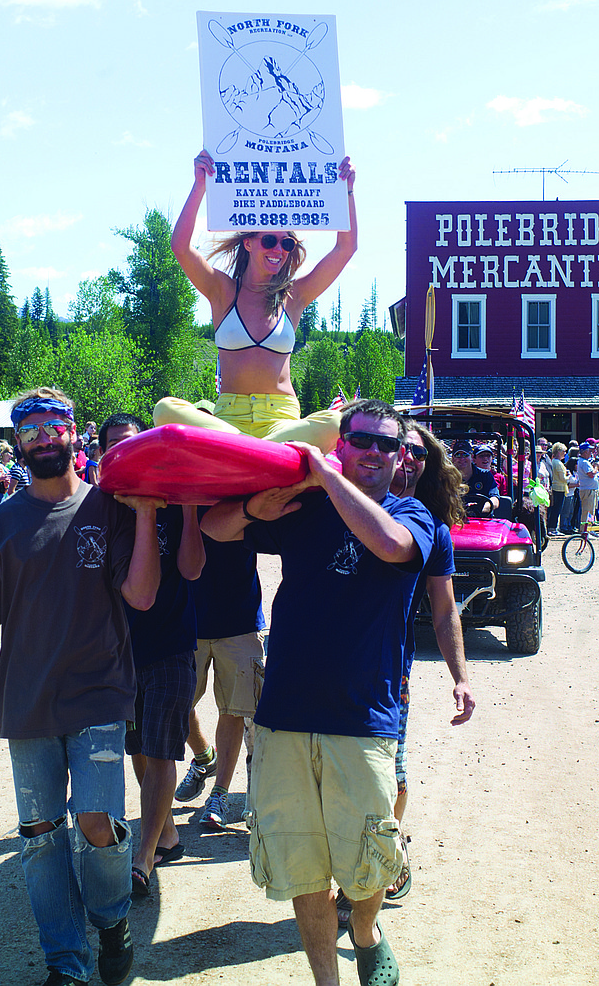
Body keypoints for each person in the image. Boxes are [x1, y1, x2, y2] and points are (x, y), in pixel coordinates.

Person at [202, 399, 436, 986]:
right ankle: (326, 980)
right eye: (363, 441)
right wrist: (256, 506)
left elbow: (389, 546)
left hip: (362, 718)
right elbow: (215, 527)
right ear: (344, 442)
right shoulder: (304, 507)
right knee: (303, 866)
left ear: (401, 455)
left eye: (388, 445)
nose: (376, 453)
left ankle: (363, 929)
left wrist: (327, 477)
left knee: (367, 862)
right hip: (283, 712)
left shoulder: (412, 513)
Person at [0, 388, 164, 986]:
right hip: (26, 702)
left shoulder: (110, 509)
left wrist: (144, 512)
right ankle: (65, 963)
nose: (43, 438)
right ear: (19, 443)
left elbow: (142, 595)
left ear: (74, 433)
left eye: (53, 426)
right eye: (31, 430)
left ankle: (112, 919)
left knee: (97, 821)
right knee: (41, 836)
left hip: (99, 695)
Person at [153, 149, 357, 454]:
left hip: (282, 421)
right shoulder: (222, 290)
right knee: (164, 409)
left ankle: (243, 451)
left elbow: (345, 248)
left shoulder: (295, 296)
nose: (279, 249)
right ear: (248, 243)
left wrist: (347, 190)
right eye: (269, 240)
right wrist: (200, 186)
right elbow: (180, 246)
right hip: (228, 419)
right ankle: (261, 451)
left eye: (287, 243)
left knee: (334, 424)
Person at [97, 413, 206, 900]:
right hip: (119, 650)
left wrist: (184, 510)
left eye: (132, 442)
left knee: (161, 747)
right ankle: (165, 833)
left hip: (171, 643)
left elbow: (192, 568)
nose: (125, 450)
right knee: (138, 748)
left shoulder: (176, 501)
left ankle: (143, 858)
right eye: (114, 446)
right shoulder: (99, 506)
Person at [382, 420, 475, 903]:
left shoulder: (435, 531)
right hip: (325, 669)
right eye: (399, 448)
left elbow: (444, 612)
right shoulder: (341, 507)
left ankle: (388, 849)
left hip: (389, 672)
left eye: (418, 452)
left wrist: (460, 677)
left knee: (390, 770)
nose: (408, 458)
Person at [178, 519, 267, 834]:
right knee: (175, 705)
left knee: (235, 709)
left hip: (239, 618)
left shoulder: (240, 480)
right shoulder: (179, 490)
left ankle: (219, 795)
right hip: (187, 618)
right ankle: (204, 757)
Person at [451, 439, 499, 517]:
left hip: (483, 520)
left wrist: (479, 509)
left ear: (472, 457)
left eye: (465, 455)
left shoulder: (485, 475)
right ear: (453, 458)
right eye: (458, 455)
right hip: (456, 519)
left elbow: (495, 500)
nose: (462, 458)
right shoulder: (448, 477)